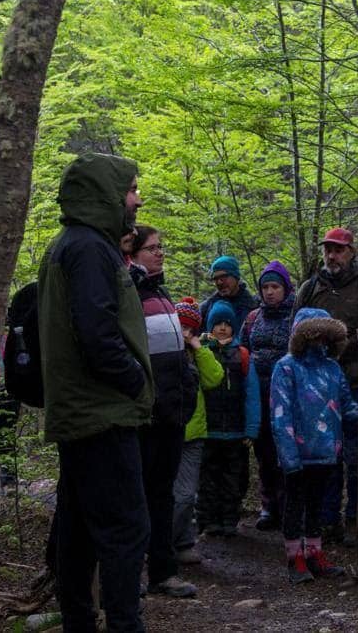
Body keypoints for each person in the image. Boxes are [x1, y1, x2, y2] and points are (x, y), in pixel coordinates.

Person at [37, 153, 154, 632]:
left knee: (80, 527)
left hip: (86, 413)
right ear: (107, 195)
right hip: (101, 413)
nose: (137, 198)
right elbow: (97, 334)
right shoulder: (87, 248)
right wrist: (135, 381)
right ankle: (125, 625)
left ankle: (79, 623)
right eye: (130, 189)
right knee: (125, 528)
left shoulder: (77, 244)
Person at [293, 227, 358, 545]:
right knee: (325, 457)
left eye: (339, 250)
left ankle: (355, 520)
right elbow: (296, 334)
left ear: (352, 252)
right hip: (316, 388)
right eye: (328, 250)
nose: (332, 255)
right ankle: (325, 520)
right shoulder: (310, 289)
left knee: (357, 456)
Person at [128, 226, 198, 598]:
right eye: (152, 248)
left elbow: (178, 356)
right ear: (133, 253)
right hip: (142, 415)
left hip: (171, 414)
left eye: (161, 247)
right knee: (135, 494)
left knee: (162, 494)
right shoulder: (127, 295)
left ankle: (162, 571)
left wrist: (186, 390)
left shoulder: (163, 294)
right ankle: (129, 575)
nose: (160, 253)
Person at [270, 308, 357, 584]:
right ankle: (294, 557)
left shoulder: (333, 368)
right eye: (313, 334)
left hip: (326, 451)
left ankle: (314, 553)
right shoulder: (286, 367)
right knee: (294, 504)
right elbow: (279, 414)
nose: (319, 339)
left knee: (317, 504)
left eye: (324, 334)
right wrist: (288, 456)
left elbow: (346, 405)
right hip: (296, 452)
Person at [196, 300, 260, 537]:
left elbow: (251, 394)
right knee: (207, 478)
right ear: (210, 326)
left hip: (235, 431)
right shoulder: (201, 352)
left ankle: (229, 520)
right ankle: (208, 520)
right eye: (218, 323)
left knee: (233, 479)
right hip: (208, 429)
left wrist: (252, 428)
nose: (222, 328)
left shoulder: (242, 355)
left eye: (227, 323)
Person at [240, 261, 295, 531]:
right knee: (264, 454)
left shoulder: (296, 317)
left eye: (275, 286)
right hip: (258, 395)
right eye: (265, 287)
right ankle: (268, 506)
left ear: (285, 288)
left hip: (287, 397)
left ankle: (288, 506)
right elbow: (242, 352)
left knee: (286, 452)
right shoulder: (252, 319)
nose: (270, 292)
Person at [171, 297, 224, 565]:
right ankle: (165, 545)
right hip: (166, 432)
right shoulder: (163, 349)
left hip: (193, 435)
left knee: (185, 495)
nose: (184, 332)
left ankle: (181, 543)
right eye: (180, 326)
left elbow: (215, 377)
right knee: (165, 493)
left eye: (189, 328)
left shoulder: (198, 352)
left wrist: (198, 348)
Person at [199, 255, 258, 337]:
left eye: (223, 277)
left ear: (236, 277)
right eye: (216, 278)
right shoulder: (206, 308)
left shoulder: (253, 306)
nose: (219, 282)